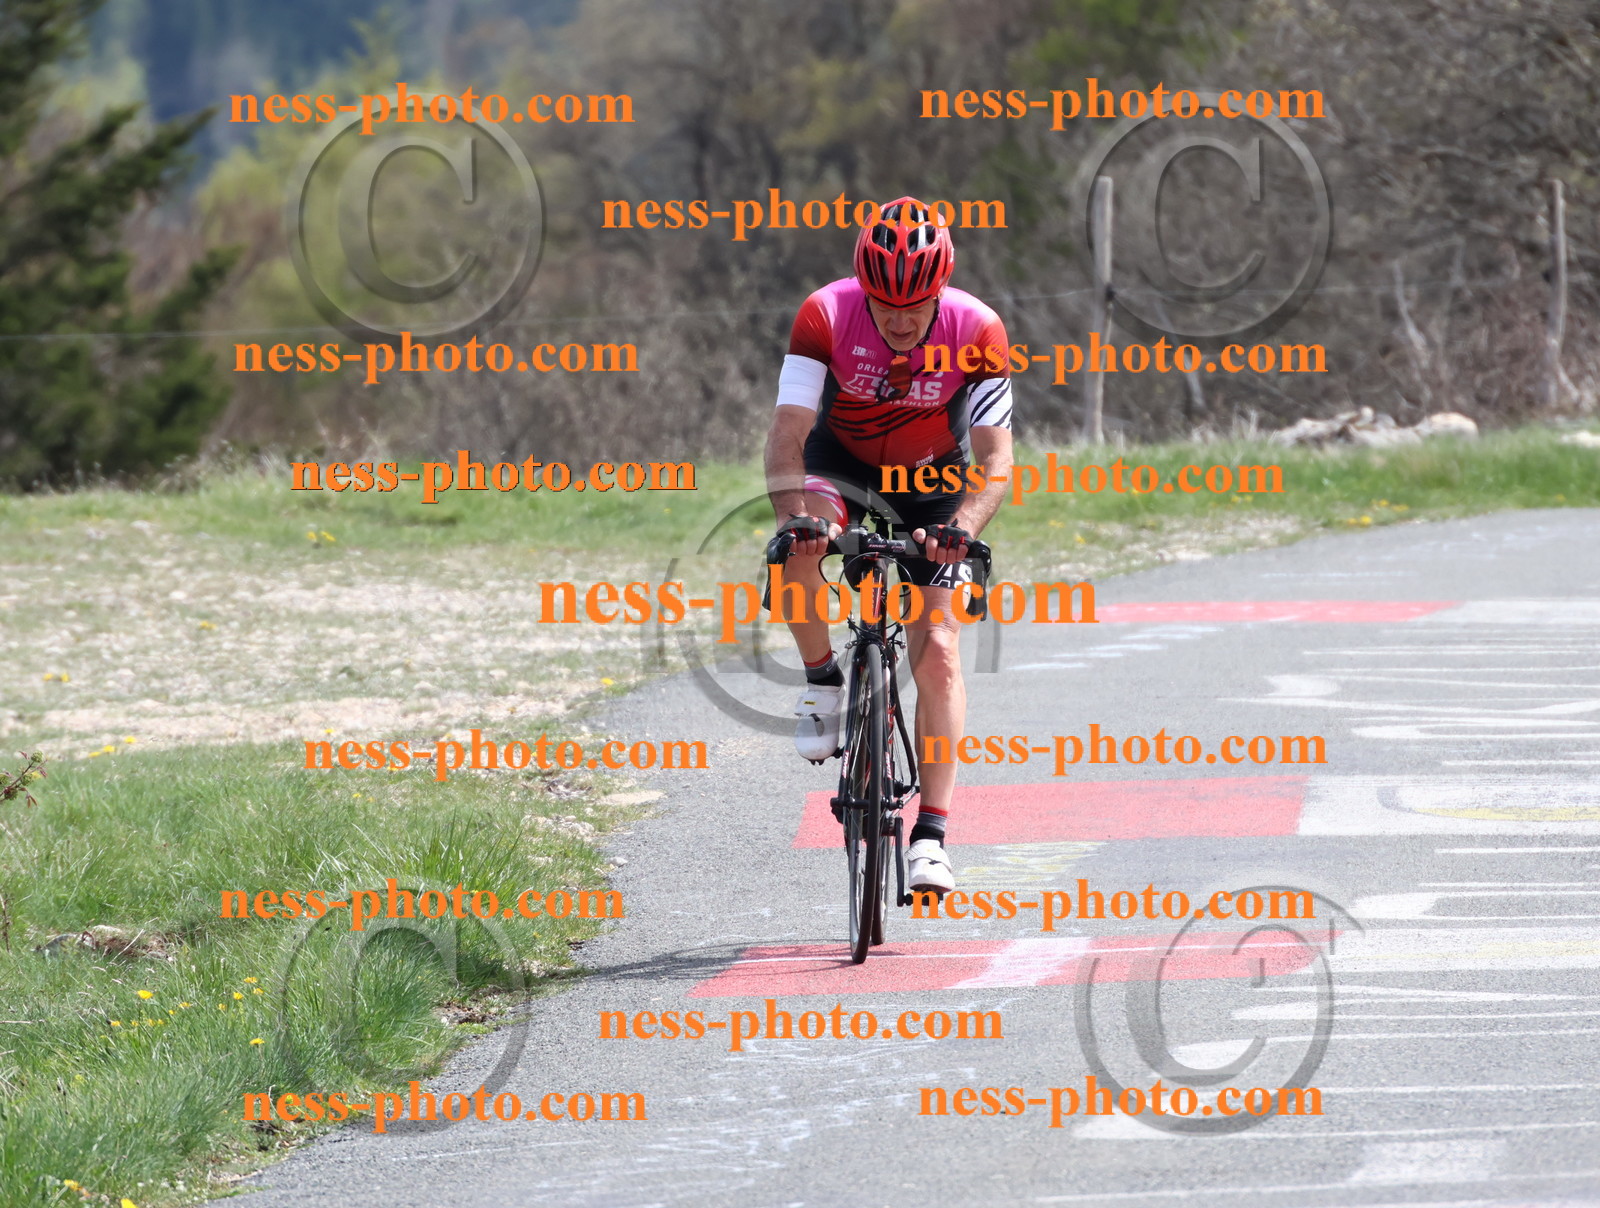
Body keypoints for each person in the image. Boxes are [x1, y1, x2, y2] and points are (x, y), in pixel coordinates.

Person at [762, 197, 1014, 895]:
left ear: (941, 290)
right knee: (799, 545)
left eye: (915, 306)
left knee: (936, 648)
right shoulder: (825, 315)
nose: (900, 322)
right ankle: (821, 683)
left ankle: (930, 835)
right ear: (863, 290)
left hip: (934, 479)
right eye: (885, 306)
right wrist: (793, 517)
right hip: (839, 462)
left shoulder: (979, 329)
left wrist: (962, 527)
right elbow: (787, 431)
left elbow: (996, 460)